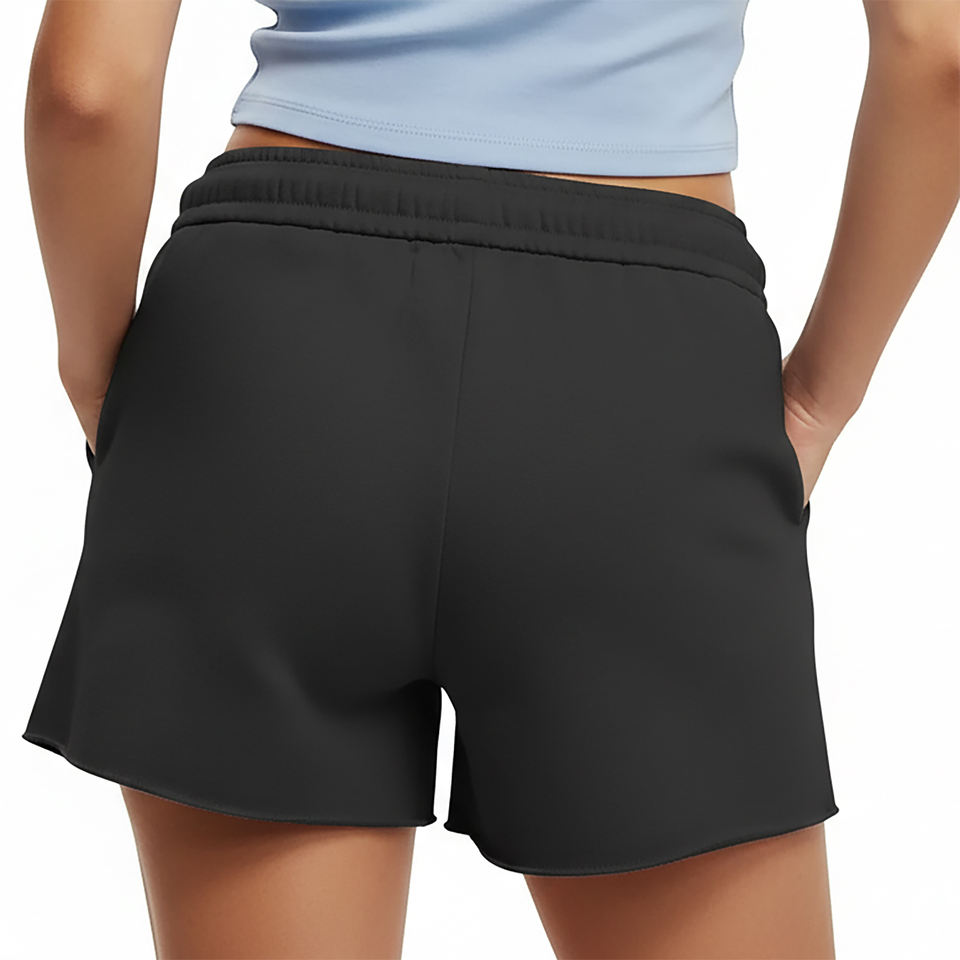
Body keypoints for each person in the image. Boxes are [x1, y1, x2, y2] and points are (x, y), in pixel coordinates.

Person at [20, 2, 959, 958]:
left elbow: (87, 91)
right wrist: (820, 401)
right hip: (643, 366)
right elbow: (940, 49)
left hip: (266, 344)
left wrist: (98, 378)